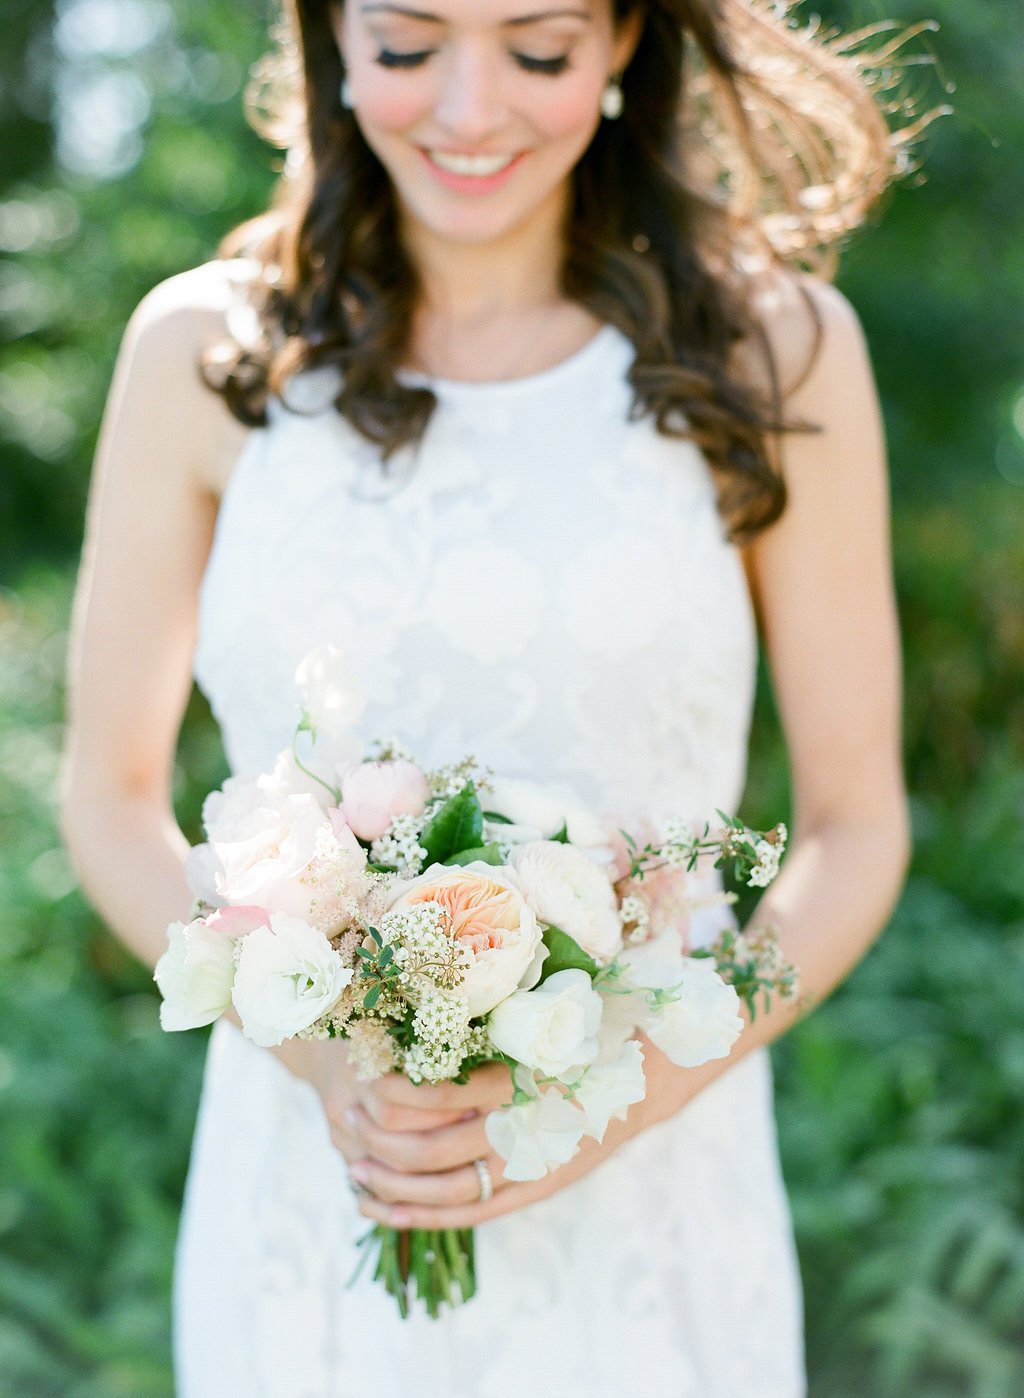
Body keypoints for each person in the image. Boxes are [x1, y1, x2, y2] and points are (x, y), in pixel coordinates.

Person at [61, 0, 916, 1393]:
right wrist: (322, 1057)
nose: (469, 112)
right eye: (408, 45)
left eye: (537, 48)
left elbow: (855, 828)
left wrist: (625, 1090)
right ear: (329, 38)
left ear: (629, 38)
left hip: (657, 1200)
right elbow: (106, 797)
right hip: (313, 1188)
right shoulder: (198, 357)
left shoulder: (777, 351)